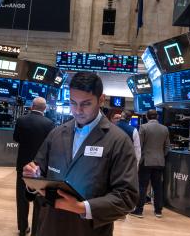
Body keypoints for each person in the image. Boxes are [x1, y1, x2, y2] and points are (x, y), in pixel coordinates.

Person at [23, 72, 139, 236]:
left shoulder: (118, 141)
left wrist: (81, 208)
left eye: (85, 104)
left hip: (89, 230)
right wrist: (32, 178)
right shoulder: (56, 134)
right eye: (72, 103)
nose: (77, 110)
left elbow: (127, 197)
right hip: (50, 226)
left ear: (101, 100)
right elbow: (38, 171)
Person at [13, 97, 55, 236]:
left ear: (32, 106)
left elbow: (16, 138)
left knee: (21, 199)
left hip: (22, 166)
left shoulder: (21, 120)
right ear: (44, 108)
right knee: (39, 200)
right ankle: (36, 231)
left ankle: (23, 228)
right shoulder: (50, 124)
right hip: (41, 168)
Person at [130, 109, 170, 218]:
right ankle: (158, 211)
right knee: (158, 187)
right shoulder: (164, 129)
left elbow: (139, 146)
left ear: (147, 117)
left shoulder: (143, 127)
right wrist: (161, 156)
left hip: (146, 161)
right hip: (160, 162)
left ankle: (139, 210)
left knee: (142, 186)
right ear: (157, 117)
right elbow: (167, 147)